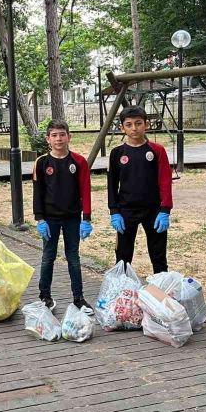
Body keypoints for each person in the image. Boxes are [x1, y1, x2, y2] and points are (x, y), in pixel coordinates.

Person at [32, 119, 94, 315]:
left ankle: (79, 298)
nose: (59, 139)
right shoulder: (41, 163)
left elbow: (86, 190)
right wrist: (39, 219)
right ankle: (45, 297)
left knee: (73, 258)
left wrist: (87, 218)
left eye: (62, 134)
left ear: (69, 137)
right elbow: (37, 192)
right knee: (47, 257)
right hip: (49, 220)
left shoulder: (79, 161)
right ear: (48, 139)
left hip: (72, 219)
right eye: (54, 135)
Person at [107, 105, 173, 274]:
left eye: (138, 123)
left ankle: (160, 293)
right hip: (126, 211)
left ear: (147, 125)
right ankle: (121, 292)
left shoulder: (157, 150)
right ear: (122, 128)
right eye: (128, 124)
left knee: (158, 255)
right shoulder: (117, 153)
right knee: (123, 256)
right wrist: (114, 211)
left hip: (154, 211)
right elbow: (112, 184)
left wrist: (165, 210)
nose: (134, 128)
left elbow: (165, 181)